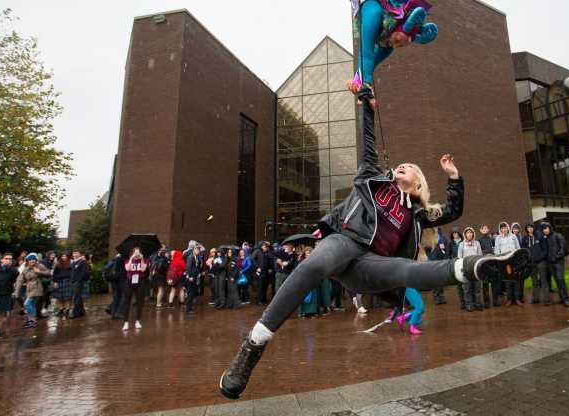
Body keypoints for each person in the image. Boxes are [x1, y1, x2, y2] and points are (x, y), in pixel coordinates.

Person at [219, 90, 530, 399]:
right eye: (401, 164)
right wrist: (366, 109)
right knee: (315, 264)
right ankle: (254, 345)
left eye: (410, 167)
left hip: (370, 265)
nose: (403, 166)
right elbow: (368, 144)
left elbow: (453, 210)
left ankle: (478, 266)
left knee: (408, 271)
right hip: (344, 242)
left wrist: (454, 178)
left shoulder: (417, 214)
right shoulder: (372, 179)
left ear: (418, 181)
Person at [274, 0, 462, 105]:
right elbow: (366, 52)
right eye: (397, 42)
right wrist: (366, 88)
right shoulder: (374, 12)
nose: (393, 46)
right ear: (396, 27)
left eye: (399, 46)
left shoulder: (387, 45)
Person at [13, 253, 50, 329]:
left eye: (34, 261)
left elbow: (48, 273)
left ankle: (32, 320)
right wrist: (16, 291)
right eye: (30, 261)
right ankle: (31, 321)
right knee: (31, 305)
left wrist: (39, 272)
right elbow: (19, 280)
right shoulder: (25, 269)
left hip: (38, 288)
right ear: (27, 261)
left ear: (36, 261)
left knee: (27, 304)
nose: (32, 262)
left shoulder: (40, 266)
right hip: (29, 289)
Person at [540, 222, 569, 307]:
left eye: (546, 228)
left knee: (561, 280)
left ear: (550, 228)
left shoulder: (558, 236)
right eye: (543, 229)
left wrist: (556, 257)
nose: (545, 230)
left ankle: (566, 299)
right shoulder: (546, 238)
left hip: (558, 262)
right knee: (557, 281)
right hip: (550, 263)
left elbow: (563, 249)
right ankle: (562, 298)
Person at [494, 222, 521, 306]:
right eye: (502, 228)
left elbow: (518, 248)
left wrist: (517, 257)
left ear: (508, 228)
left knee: (516, 279)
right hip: (505, 261)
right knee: (508, 280)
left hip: (514, 260)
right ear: (500, 229)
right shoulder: (498, 238)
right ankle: (509, 299)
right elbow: (497, 250)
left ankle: (517, 299)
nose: (503, 229)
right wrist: (500, 259)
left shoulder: (513, 236)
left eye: (505, 227)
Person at [122, 247, 148, 330]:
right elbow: (127, 268)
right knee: (127, 301)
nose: (137, 254)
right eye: (135, 253)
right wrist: (131, 258)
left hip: (140, 281)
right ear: (132, 253)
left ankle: (137, 321)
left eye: (138, 252)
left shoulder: (144, 259)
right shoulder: (128, 259)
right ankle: (126, 322)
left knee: (139, 302)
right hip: (129, 281)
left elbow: (143, 269)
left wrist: (142, 259)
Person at [458, 227, 483, 311]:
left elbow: (480, 255)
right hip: (466, 269)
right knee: (467, 289)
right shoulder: (462, 244)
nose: (469, 234)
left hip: (476, 269)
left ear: (473, 234)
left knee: (477, 288)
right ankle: (469, 304)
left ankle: (478, 304)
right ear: (465, 234)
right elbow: (459, 257)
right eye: (468, 233)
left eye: (471, 232)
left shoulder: (477, 243)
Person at [477, 224, 496, 308]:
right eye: (482, 229)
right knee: (485, 283)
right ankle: (486, 302)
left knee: (494, 283)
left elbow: (494, 248)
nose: (484, 230)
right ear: (480, 231)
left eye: (486, 228)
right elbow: (479, 251)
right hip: (484, 263)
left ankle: (495, 301)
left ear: (488, 229)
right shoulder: (479, 240)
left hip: (492, 262)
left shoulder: (492, 239)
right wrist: (486, 253)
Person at [428, 233, 449, 305]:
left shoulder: (443, 237)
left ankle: (441, 297)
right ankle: (436, 297)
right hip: (432, 262)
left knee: (441, 280)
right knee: (435, 280)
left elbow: (446, 248)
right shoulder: (429, 237)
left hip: (441, 261)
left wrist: (445, 258)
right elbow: (426, 249)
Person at [50, 253, 73, 317]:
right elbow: (54, 274)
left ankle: (67, 310)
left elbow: (73, 274)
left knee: (68, 298)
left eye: (65, 256)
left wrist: (72, 281)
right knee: (59, 298)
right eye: (62, 256)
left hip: (68, 282)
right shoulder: (57, 264)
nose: (64, 257)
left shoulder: (70, 264)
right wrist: (55, 282)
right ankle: (61, 310)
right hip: (59, 282)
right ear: (60, 257)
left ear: (67, 257)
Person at [70, 249, 90, 319]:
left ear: (80, 254)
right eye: (74, 253)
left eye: (76, 253)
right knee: (78, 297)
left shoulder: (82, 262)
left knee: (76, 297)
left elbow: (86, 272)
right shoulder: (73, 262)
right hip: (73, 281)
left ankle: (75, 313)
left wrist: (79, 280)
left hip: (78, 282)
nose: (75, 254)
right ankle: (81, 311)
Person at [449, 228, 465, 309]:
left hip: (463, 263)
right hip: (455, 265)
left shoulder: (463, 242)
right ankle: (462, 302)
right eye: (453, 233)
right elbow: (448, 255)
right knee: (459, 285)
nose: (455, 234)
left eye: (456, 233)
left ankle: (467, 301)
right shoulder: (450, 243)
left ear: (459, 233)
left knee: (465, 284)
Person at [184, 244, 204, 314]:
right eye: (197, 250)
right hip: (191, 278)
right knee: (190, 294)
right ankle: (188, 310)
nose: (198, 251)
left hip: (194, 277)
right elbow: (188, 267)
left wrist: (198, 273)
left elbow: (196, 267)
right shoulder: (191, 257)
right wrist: (189, 276)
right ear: (194, 250)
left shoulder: (196, 257)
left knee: (192, 294)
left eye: (199, 250)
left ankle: (190, 307)